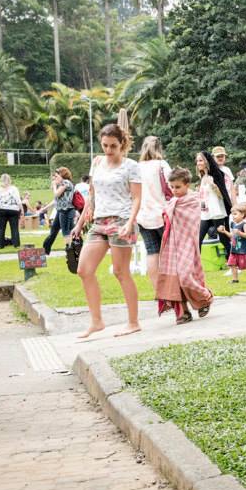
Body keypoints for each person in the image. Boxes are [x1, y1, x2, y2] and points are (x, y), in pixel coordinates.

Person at [71, 123, 142, 338]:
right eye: (105, 145)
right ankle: (97, 321)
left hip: (121, 220)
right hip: (99, 222)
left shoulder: (131, 166)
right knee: (84, 270)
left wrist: (130, 223)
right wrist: (80, 222)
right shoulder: (98, 162)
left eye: (113, 146)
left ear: (122, 144)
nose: (109, 150)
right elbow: (92, 195)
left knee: (121, 272)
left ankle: (133, 322)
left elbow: (137, 197)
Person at [156, 168, 214, 324]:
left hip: (187, 243)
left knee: (186, 276)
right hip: (172, 245)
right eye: (172, 187)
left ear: (187, 185)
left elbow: (191, 222)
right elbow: (166, 219)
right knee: (173, 279)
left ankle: (205, 296)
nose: (174, 190)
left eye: (178, 187)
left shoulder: (193, 201)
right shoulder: (172, 202)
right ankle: (182, 313)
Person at [136, 136, 172, 290]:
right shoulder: (161, 165)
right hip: (162, 215)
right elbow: (172, 186)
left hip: (142, 216)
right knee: (171, 254)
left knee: (152, 253)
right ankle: (172, 290)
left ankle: (159, 291)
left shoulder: (137, 167)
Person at [196, 150, 233, 259]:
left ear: (206, 161)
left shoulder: (216, 175)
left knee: (223, 239)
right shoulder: (202, 177)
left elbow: (222, 195)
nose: (198, 163)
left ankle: (234, 262)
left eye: (200, 160)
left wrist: (213, 186)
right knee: (198, 238)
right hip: (205, 213)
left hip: (217, 212)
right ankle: (195, 267)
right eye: (197, 161)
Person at [218, 204, 246, 284]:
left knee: (244, 266)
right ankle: (235, 279)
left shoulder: (244, 225)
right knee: (232, 264)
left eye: (235, 214)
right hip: (234, 249)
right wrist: (224, 231)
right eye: (232, 214)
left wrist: (239, 233)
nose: (233, 216)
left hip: (242, 250)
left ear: (242, 214)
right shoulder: (233, 224)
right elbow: (232, 235)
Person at [39, 167, 77, 255]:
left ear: (62, 175)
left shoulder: (66, 182)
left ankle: (70, 251)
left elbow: (56, 194)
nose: (55, 178)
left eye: (56, 175)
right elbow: (56, 200)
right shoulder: (62, 184)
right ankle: (45, 249)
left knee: (66, 231)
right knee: (54, 230)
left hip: (66, 210)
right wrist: (45, 208)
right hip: (61, 211)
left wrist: (54, 186)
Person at [0, 173, 22, 249]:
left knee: (1, 229)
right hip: (13, 210)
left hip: (1, 210)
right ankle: (16, 245)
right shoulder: (14, 188)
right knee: (14, 228)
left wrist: (0, 207)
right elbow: (18, 200)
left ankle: (0, 245)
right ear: (9, 180)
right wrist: (21, 210)